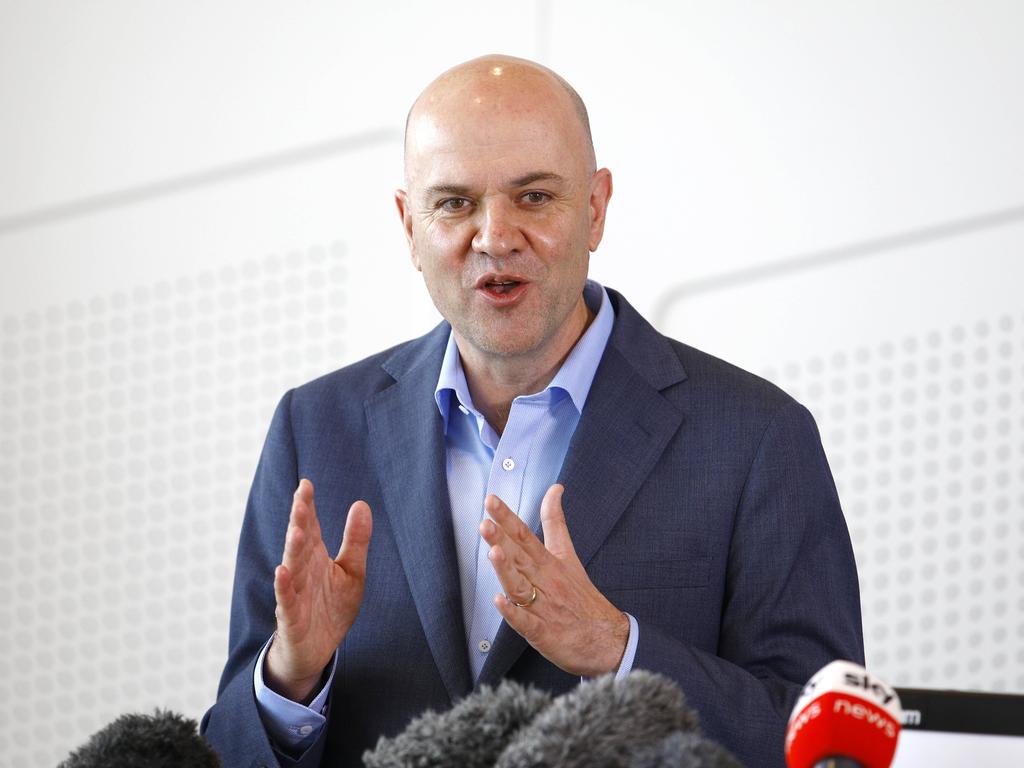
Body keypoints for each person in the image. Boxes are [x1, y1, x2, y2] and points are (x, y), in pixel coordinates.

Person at [201, 55, 864, 768]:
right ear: (408, 225)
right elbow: (225, 749)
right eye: (454, 203)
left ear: (596, 209)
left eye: (534, 197)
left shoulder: (756, 437)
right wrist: (291, 678)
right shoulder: (315, 429)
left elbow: (829, 745)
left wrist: (617, 648)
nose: (494, 236)